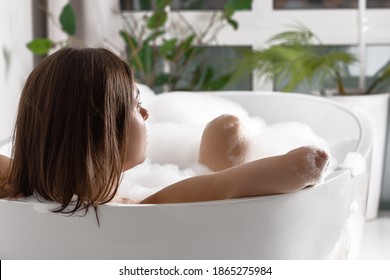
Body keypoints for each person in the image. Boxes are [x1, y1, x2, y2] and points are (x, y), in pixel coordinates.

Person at [0, 48, 329, 215]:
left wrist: (21, 171)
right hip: (165, 217)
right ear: (102, 129)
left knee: (227, 129)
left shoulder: (20, 185)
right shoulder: (145, 207)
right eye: (135, 103)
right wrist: (305, 163)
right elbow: (224, 186)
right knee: (224, 142)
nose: (146, 111)